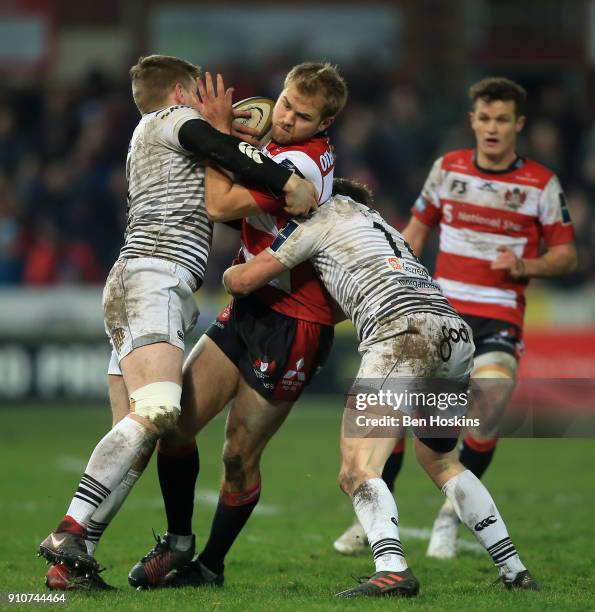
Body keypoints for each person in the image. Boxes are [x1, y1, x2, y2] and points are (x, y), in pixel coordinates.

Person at [37, 54, 318, 589]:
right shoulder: (174, 121)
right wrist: (286, 181)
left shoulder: (148, 134)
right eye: (198, 90)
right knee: (162, 409)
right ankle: (69, 530)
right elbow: (217, 147)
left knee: (138, 439)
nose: (207, 100)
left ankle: (70, 566)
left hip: (132, 280)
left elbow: (221, 170)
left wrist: (234, 143)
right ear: (178, 92)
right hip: (154, 278)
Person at [222, 177, 538, 597]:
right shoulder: (383, 229)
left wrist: (230, 269)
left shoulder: (320, 218)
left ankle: (391, 569)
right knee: (441, 462)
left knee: (357, 468)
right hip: (452, 333)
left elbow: (245, 281)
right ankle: (514, 568)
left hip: (401, 334)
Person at [118, 61, 348, 589]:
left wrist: (221, 136)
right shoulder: (282, 144)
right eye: (285, 103)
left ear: (325, 120)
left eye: (301, 114)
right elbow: (251, 160)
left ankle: (210, 566)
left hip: (295, 323)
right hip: (249, 309)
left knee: (238, 454)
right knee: (174, 423)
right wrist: (235, 141)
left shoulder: (300, 166)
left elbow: (219, 204)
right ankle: (178, 543)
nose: (285, 118)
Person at [333, 76, 577, 558]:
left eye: (502, 120)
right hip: (444, 321)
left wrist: (527, 265)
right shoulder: (448, 170)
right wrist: (397, 277)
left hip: (498, 322)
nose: (492, 128)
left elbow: (567, 256)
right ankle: (374, 518)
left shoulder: (540, 185)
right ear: (473, 121)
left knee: (486, 414)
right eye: (484, 119)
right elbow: (416, 232)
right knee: (399, 417)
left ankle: (452, 516)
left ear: (518, 124)